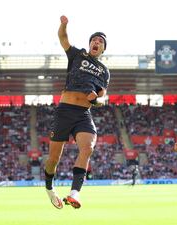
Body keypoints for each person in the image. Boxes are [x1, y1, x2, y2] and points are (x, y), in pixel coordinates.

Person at [44, 15, 110, 209]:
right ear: (90, 44)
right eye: (94, 40)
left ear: (103, 48)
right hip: (64, 110)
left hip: (83, 114)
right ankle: (49, 188)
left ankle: (75, 193)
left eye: (100, 41)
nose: (96, 42)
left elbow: (103, 98)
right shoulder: (77, 55)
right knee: (53, 159)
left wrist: (95, 100)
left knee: (88, 148)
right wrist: (63, 25)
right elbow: (63, 38)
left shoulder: (104, 72)